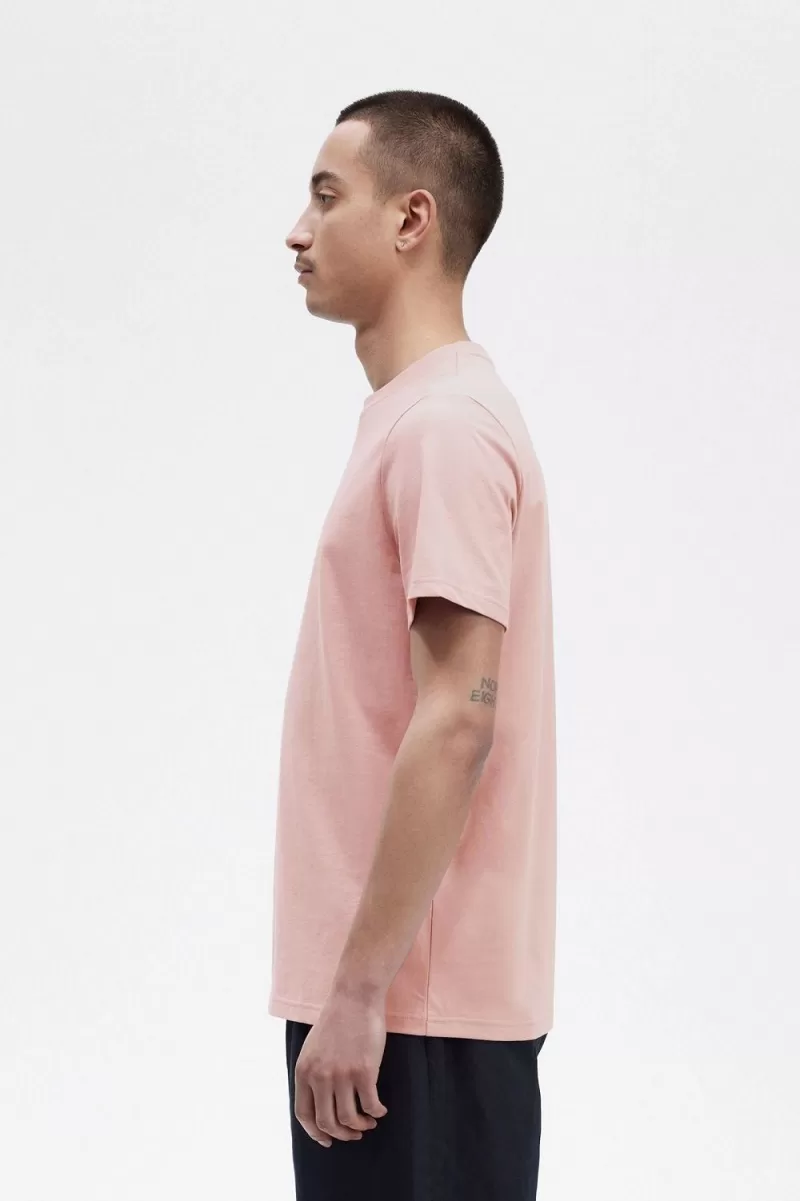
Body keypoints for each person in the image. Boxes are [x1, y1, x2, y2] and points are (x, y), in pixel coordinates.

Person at [271, 89, 557, 1200]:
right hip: (396, 998)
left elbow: (458, 719)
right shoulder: (416, 417)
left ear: (411, 219)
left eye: (325, 196)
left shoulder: (445, 428)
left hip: (409, 1011)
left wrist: (357, 994)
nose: (296, 231)